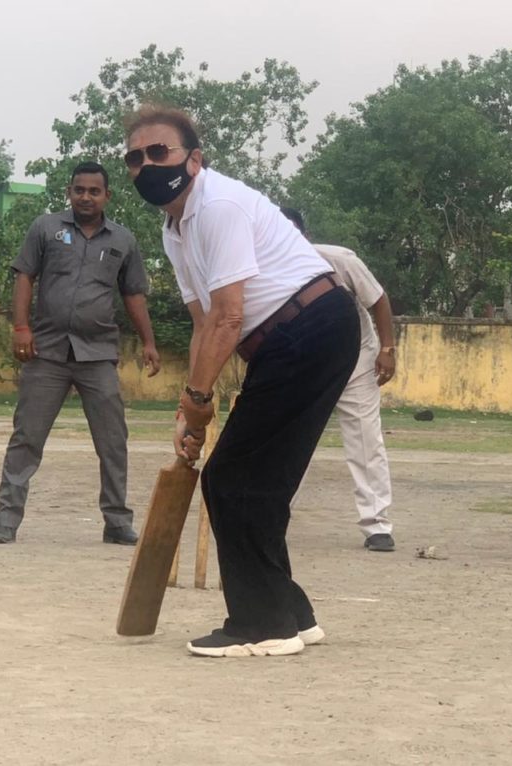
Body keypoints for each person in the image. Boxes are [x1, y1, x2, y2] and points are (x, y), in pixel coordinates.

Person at [125, 106, 360, 657]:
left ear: (194, 159)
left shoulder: (219, 206)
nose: (147, 165)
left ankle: (261, 624)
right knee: (260, 482)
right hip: (292, 338)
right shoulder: (174, 227)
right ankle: (290, 613)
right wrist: (191, 409)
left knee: (233, 477)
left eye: (159, 153)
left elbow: (230, 315)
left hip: (310, 327)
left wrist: (199, 397)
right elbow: (205, 321)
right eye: (135, 158)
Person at [0, 161, 160, 546]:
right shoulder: (45, 228)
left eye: (94, 191)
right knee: (27, 437)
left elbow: (133, 294)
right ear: (69, 192)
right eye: (79, 190)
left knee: (112, 440)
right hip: (46, 351)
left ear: (107, 196)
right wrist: (20, 327)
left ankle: (116, 521)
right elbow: (24, 277)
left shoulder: (123, 240)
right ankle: (6, 521)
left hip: (98, 354)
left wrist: (149, 342)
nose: (86, 197)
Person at [281, 207, 397, 552]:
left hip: (356, 360)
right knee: (287, 441)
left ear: (303, 235)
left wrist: (387, 349)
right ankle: (274, 512)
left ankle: (377, 524)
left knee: (365, 440)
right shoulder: (264, 268)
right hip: (304, 364)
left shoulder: (338, 259)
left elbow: (378, 299)